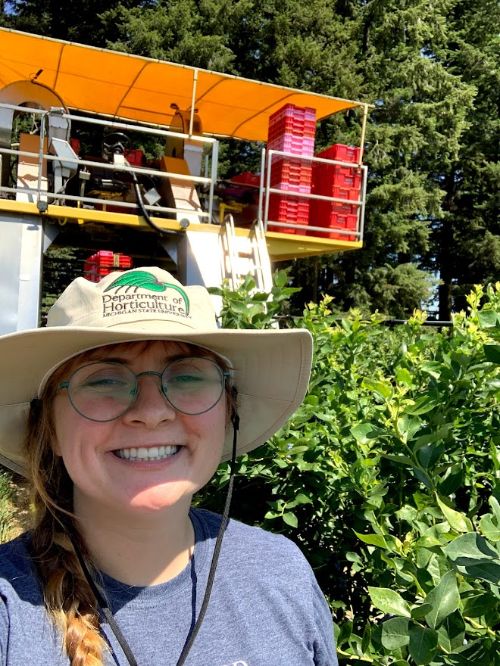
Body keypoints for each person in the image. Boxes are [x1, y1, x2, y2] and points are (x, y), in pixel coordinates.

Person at [0, 266, 337, 666]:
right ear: (50, 429)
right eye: (104, 380)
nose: (153, 412)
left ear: (229, 411)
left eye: (187, 376)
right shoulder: (9, 610)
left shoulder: (281, 574)